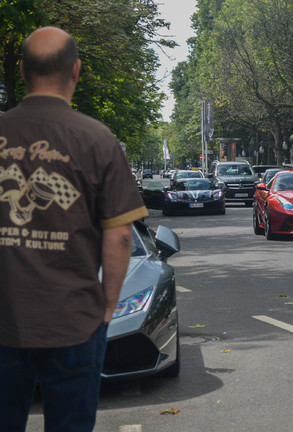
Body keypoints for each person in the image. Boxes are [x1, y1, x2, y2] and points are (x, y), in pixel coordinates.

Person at [0, 27, 148, 431]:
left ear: (21, 70)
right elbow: (119, 236)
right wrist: (106, 306)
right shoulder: (97, 140)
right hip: (73, 320)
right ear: (76, 71)